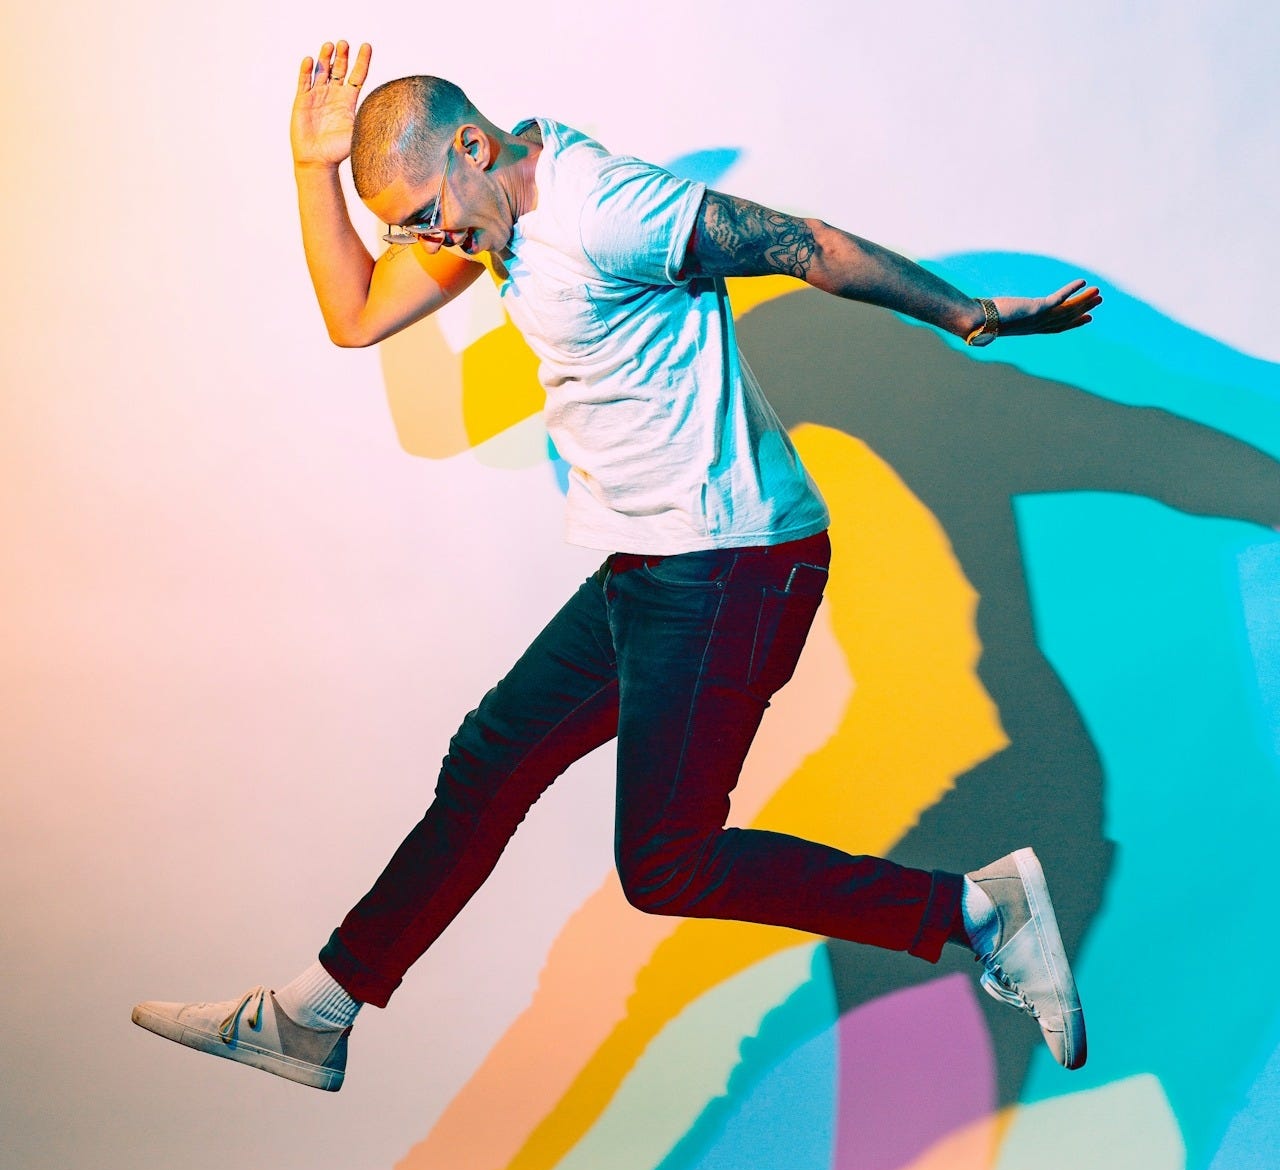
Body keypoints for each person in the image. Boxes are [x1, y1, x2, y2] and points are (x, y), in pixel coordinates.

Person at [133, 39, 1101, 1091]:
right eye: (407, 228)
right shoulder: (492, 208)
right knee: (489, 763)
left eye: (422, 214)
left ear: (471, 147)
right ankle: (315, 1016)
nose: (425, 241)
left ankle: (978, 910)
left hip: (733, 564)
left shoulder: (606, 209)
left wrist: (969, 313)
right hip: (649, 563)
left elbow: (800, 243)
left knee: (665, 863)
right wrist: (310, 168)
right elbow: (355, 315)